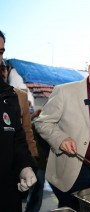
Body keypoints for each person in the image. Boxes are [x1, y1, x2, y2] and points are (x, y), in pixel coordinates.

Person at [35, 53, 90, 211]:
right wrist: (61, 139)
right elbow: (42, 122)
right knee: (71, 207)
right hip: (72, 167)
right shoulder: (65, 91)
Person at [1, 29, 37, 212]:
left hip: (7, 196)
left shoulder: (10, 97)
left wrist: (24, 167)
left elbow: (18, 141)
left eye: (0, 52)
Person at [1, 59, 39, 161]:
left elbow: (27, 129)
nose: (2, 73)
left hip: (16, 157)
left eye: (3, 69)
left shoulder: (20, 96)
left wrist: (33, 154)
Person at [25, 109, 51, 212]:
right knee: (36, 191)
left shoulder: (35, 125)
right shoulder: (37, 126)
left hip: (40, 163)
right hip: (38, 163)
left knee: (36, 191)